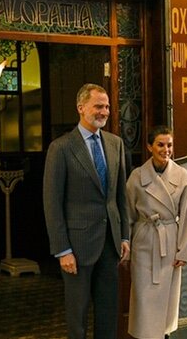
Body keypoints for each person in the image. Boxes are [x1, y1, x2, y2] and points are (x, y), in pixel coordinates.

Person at [43, 83, 131, 339]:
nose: (104, 112)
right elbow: (52, 202)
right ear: (81, 108)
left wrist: (124, 236)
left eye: (107, 107)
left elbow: (120, 196)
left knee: (108, 313)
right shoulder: (61, 148)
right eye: (98, 106)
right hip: (77, 248)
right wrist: (62, 250)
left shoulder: (116, 144)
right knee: (77, 315)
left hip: (110, 244)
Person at [127, 126, 187, 339]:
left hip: (169, 244)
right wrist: (126, 247)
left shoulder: (182, 176)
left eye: (169, 145)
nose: (166, 149)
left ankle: (163, 336)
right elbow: (128, 214)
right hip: (144, 243)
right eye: (160, 144)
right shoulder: (137, 177)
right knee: (143, 300)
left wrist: (183, 251)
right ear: (149, 146)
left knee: (166, 303)